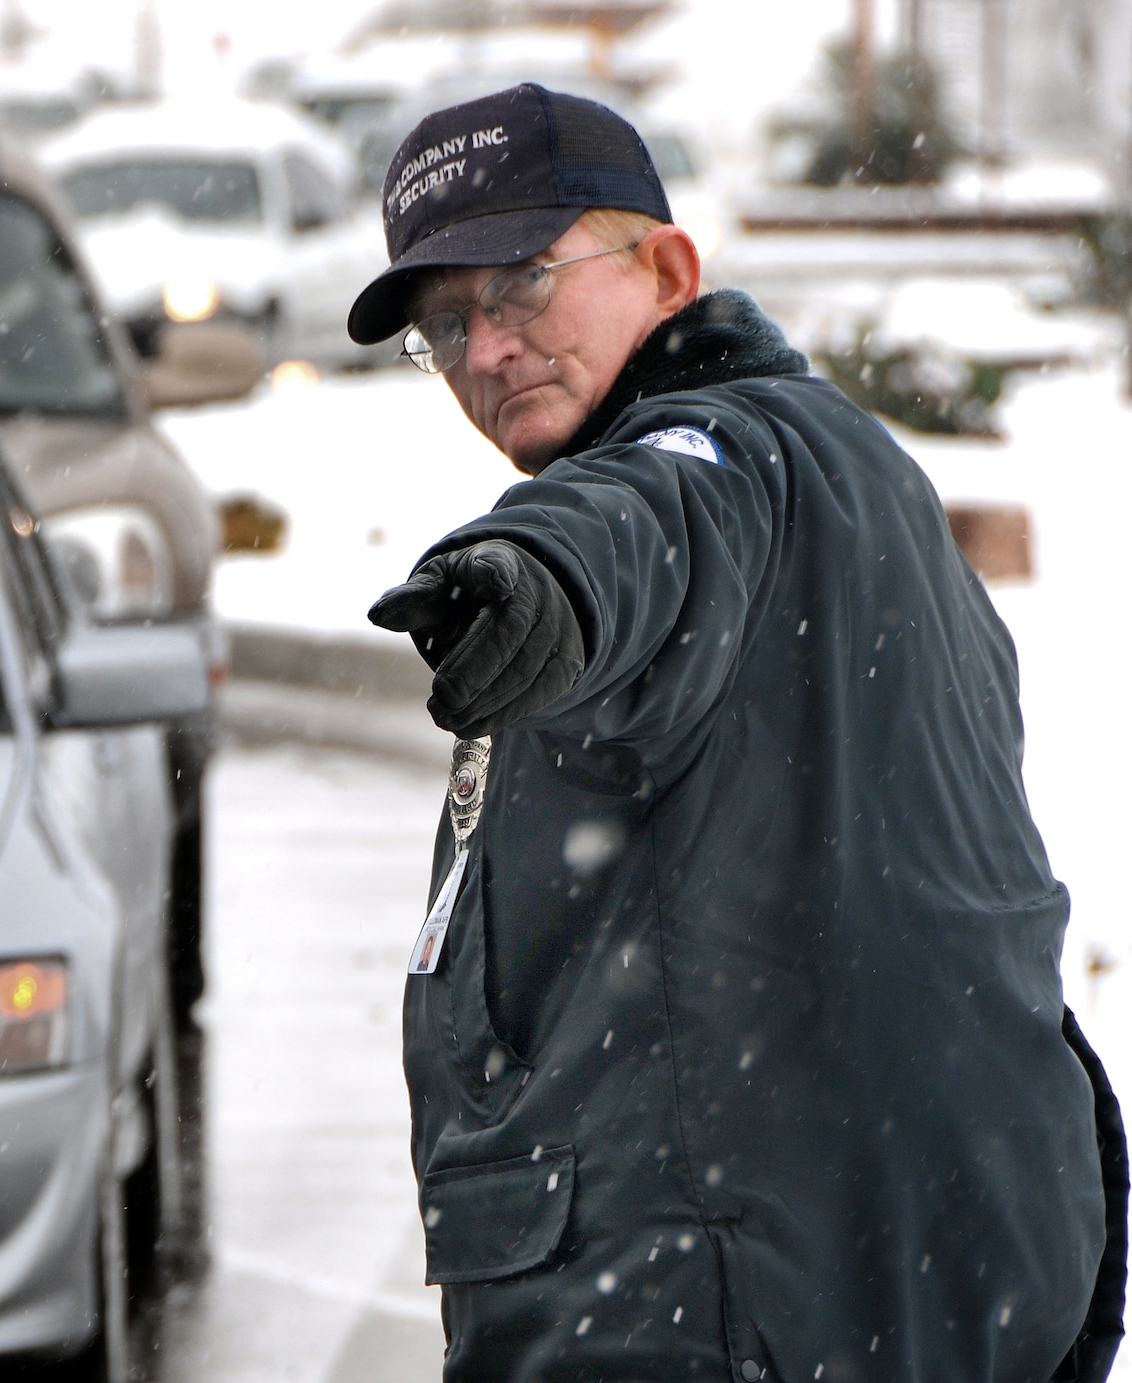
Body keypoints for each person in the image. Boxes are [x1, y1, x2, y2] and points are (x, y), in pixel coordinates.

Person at [348, 83, 1128, 1382]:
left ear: (667, 265)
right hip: (919, 1279)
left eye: (526, 284)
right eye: (446, 322)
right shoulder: (855, 473)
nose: (487, 350)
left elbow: (643, 527)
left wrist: (535, 581)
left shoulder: (717, 458)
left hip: (718, 1311)